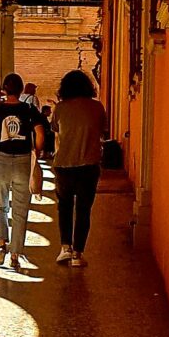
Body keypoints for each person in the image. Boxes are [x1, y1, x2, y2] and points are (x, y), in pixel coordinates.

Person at [0, 72, 44, 268]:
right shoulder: (30, 110)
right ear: (20, 89)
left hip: (0, 161)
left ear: (3, 90)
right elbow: (40, 132)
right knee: (20, 211)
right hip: (23, 162)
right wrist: (37, 151)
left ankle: (1, 244)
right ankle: (15, 254)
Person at [51, 67, 106, 267]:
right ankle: (78, 254)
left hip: (64, 164)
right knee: (83, 210)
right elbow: (102, 132)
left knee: (64, 207)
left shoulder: (60, 108)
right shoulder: (97, 108)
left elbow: (56, 132)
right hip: (89, 165)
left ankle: (65, 248)